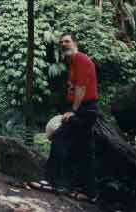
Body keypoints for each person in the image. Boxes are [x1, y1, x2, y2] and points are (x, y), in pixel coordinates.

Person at [44, 32, 98, 202]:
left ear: (75, 43)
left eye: (67, 41)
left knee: (60, 138)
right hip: (87, 109)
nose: (63, 44)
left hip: (83, 110)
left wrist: (73, 111)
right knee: (85, 152)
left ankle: (50, 182)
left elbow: (81, 87)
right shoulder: (73, 63)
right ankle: (90, 193)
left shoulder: (80, 59)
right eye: (61, 42)